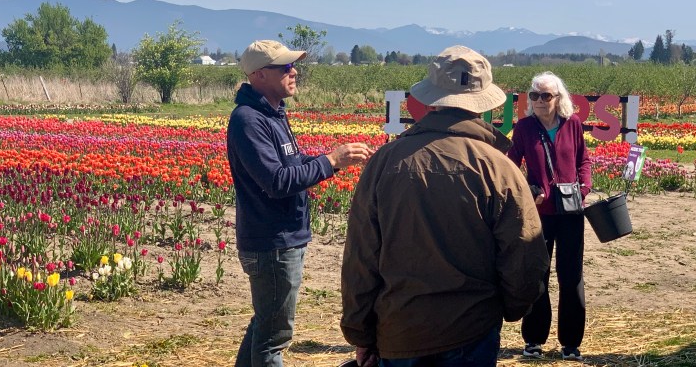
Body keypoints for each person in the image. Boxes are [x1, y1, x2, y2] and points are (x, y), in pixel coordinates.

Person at [340, 46, 550, 367]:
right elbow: (524, 253)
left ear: (430, 99)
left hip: (399, 329)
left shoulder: (386, 161)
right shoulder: (498, 167)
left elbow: (361, 254)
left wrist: (361, 332)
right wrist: (510, 308)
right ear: (483, 103)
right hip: (473, 329)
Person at [228, 40, 374, 367]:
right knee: (273, 339)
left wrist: (330, 158)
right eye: (285, 67)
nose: (293, 72)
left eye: (293, 65)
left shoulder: (271, 114)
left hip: (280, 239)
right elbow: (277, 181)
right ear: (260, 75)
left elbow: (290, 163)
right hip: (273, 243)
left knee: (264, 324)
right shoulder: (249, 120)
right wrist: (330, 161)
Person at [507, 71, 593, 362]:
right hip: (538, 213)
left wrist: (583, 188)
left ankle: (571, 343)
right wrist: (530, 189)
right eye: (534, 95)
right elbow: (511, 166)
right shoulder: (524, 128)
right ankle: (534, 340)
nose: (540, 101)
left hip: (570, 212)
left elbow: (584, 160)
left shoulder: (573, 125)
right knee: (537, 276)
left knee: (571, 277)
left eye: (546, 95)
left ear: (559, 98)